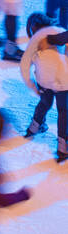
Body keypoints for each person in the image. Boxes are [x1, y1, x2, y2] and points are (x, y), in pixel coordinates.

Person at [21, 12, 68, 161]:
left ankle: (34, 127)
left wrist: (34, 87)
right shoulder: (58, 30)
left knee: (44, 102)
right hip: (63, 79)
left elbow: (23, 67)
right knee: (63, 110)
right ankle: (62, 146)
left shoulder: (34, 40)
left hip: (44, 79)